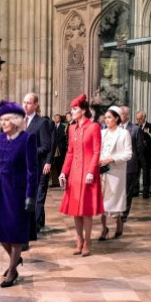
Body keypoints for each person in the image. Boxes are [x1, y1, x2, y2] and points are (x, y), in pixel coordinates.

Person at [0, 102, 37, 288]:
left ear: (16, 121)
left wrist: (31, 195)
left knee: (15, 233)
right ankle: (15, 261)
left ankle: (12, 269)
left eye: (7, 120)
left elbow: (33, 170)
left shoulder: (27, 139)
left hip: (17, 192)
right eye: (2, 120)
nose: (3, 123)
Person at [58, 94, 104, 257]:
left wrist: (92, 171)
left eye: (75, 108)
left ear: (83, 110)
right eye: (72, 108)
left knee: (86, 210)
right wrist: (64, 172)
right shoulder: (71, 128)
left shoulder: (94, 127)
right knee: (75, 210)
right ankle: (79, 241)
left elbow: (97, 151)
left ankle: (87, 242)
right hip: (75, 174)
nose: (72, 111)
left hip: (88, 173)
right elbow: (70, 152)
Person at [98, 106, 132, 241]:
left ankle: (119, 223)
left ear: (116, 118)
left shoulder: (124, 133)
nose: (107, 120)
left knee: (113, 203)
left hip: (116, 173)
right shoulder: (102, 133)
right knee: (101, 203)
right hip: (101, 172)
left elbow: (128, 154)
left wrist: (112, 159)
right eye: (105, 117)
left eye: (109, 117)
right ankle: (103, 229)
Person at [23, 93, 50, 237]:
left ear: (35, 105)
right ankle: (36, 222)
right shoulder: (21, 122)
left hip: (36, 167)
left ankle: (35, 225)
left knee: (36, 197)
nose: (25, 105)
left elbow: (46, 146)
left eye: (28, 103)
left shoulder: (42, 122)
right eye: (24, 102)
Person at [119, 106, 143, 223]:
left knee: (127, 192)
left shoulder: (135, 129)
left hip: (130, 165)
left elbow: (139, 149)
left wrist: (140, 166)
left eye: (122, 113)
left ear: (127, 115)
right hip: (116, 165)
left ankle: (124, 214)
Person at [135, 111, 151, 198]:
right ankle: (135, 191)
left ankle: (145, 192)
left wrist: (146, 141)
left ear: (144, 117)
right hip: (136, 153)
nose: (138, 120)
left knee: (146, 172)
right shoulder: (135, 126)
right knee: (136, 172)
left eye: (140, 118)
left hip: (146, 153)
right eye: (137, 118)